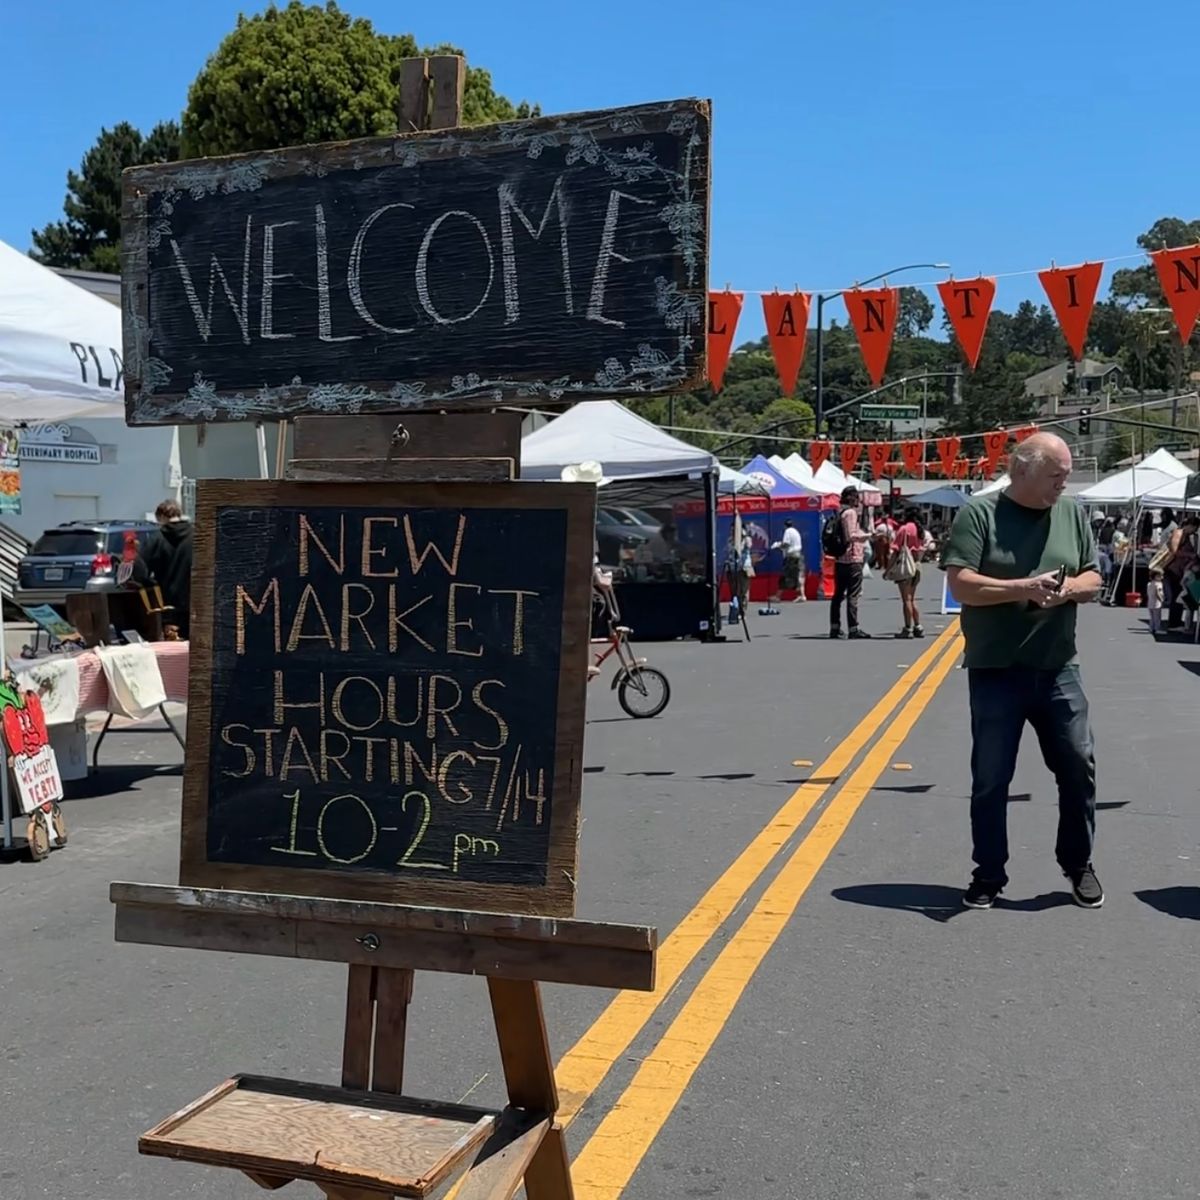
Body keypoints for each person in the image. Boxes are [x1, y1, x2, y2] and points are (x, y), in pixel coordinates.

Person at [941, 432, 1104, 910]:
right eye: (1055, 475)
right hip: (997, 668)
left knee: (1078, 765)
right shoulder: (980, 514)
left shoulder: (1072, 514)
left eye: (1066, 475)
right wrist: (1023, 588)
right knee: (991, 777)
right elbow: (962, 584)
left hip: (1058, 667)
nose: (1064, 483)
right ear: (1022, 472)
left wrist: (1068, 588)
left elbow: (1094, 576)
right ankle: (988, 873)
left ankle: (1078, 864)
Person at [143, 500, 194, 639]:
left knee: (171, 649)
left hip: (166, 605)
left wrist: (150, 584)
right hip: (195, 603)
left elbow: (141, 570)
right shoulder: (197, 536)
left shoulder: (156, 539)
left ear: (161, 517)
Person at [827, 486, 872, 639]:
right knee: (853, 595)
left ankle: (835, 626)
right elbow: (851, 536)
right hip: (853, 558)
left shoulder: (839, 512)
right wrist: (868, 536)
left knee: (838, 595)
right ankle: (853, 628)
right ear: (852, 498)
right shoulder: (851, 513)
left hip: (840, 559)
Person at [889, 506, 925, 639]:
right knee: (912, 598)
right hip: (916, 565)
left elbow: (896, 550)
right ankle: (918, 626)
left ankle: (908, 628)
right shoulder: (919, 530)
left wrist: (888, 569)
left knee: (906, 599)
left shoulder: (904, 529)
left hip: (905, 565)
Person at [1160, 515, 1198, 630]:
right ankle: (1174, 623)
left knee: (1179, 596)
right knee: (1176, 595)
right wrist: (1190, 555)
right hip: (1173, 569)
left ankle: (1176, 621)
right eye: (1195, 528)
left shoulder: (1187, 535)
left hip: (1179, 569)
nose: (1195, 531)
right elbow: (1174, 551)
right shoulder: (1179, 533)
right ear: (1191, 526)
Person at [771, 519, 805, 602]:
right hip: (798, 555)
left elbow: (786, 544)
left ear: (785, 526)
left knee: (785, 575)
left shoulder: (788, 531)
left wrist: (778, 545)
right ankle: (802, 595)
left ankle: (778, 596)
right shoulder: (796, 531)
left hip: (791, 557)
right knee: (799, 575)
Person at [1147, 568, 1166, 635]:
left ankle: (1151, 628)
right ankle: (1157, 628)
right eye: (1161, 576)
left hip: (1150, 603)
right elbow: (1157, 592)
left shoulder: (1149, 584)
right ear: (1156, 576)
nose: (1162, 577)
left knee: (1152, 617)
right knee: (1157, 617)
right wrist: (1161, 599)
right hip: (1157, 603)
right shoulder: (1158, 584)